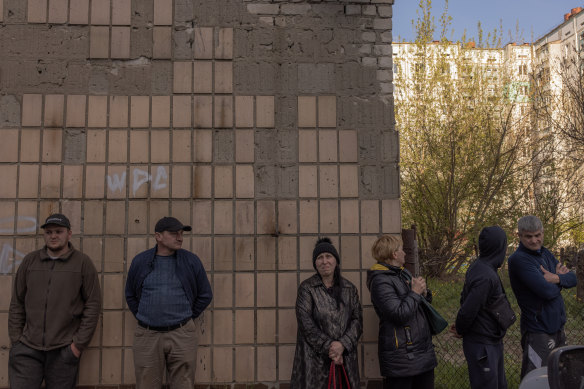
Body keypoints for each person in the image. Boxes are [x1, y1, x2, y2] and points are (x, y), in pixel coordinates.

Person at [8, 213, 101, 389]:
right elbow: (17, 302)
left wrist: (77, 345)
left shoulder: (82, 263)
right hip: (27, 348)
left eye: (59, 231)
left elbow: (93, 305)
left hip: (63, 351)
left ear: (69, 234)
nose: (53, 236)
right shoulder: (30, 261)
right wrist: (16, 340)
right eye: (49, 232)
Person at [125, 216, 213, 389]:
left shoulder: (191, 261)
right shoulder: (141, 261)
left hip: (182, 334)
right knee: (146, 384)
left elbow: (205, 294)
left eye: (181, 234)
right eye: (174, 233)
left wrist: (187, 317)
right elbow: (130, 295)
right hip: (147, 335)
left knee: (184, 384)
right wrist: (146, 316)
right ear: (158, 236)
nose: (179, 238)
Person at [508, 215, 577, 378]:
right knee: (537, 378)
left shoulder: (545, 253)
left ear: (543, 233)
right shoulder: (519, 260)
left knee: (560, 377)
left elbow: (573, 279)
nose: (534, 240)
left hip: (558, 329)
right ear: (520, 236)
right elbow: (546, 291)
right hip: (538, 331)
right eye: (529, 236)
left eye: (537, 235)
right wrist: (561, 281)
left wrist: (555, 278)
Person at [290, 237, 363, 388]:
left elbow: (358, 320)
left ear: (336, 261)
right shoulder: (307, 289)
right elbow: (306, 324)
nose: (324, 261)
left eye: (328, 256)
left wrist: (343, 345)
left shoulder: (350, 289)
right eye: (319, 258)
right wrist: (331, 347)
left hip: (345, 358)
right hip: (314, 362)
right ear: (315, 263)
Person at [367, 234, 437, 389]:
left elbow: (417, 306)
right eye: (402, 249)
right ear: (394, 254)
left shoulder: (400, 273)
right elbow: (399, 314)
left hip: (420, 353)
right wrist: (415, 292)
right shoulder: (380, 281)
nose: (405, 252)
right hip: (402, 359)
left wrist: (424, 293)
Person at [453, 226, 510, 389]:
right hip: (482, 345)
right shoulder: (485, 275)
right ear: (500, 247)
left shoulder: (483, 266)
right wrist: (460, 328)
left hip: (489, 341)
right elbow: (467, 309)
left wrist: (461, 327)